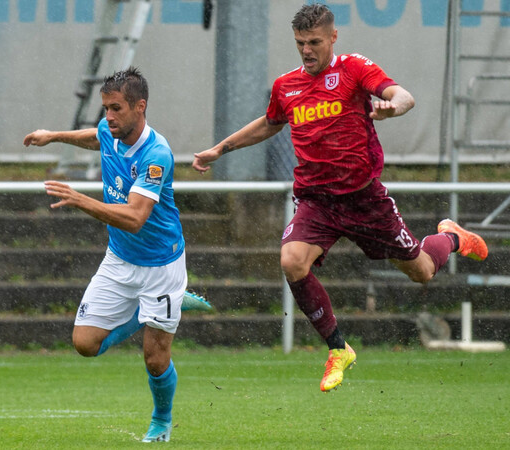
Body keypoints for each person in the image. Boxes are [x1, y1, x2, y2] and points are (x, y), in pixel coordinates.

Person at [192, 3, 488, 392]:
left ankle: (450, 237)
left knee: (421, 272)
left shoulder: (354, 69)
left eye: (314, 42)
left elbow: (404, 96)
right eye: (300, 43)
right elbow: (269, 123)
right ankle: (338, 348)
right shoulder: (287, 86)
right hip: (316, 201)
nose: (307, 50)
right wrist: (221, 149)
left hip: (364, 200)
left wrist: (390, 108)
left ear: (333, 37)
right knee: (292, 262)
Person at [24, 67, 183, 442]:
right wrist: (54, 136)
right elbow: (95, 137)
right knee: (84, 344)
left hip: (161, 266)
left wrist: (80, 199)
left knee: (155, 360)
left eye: (116, 109)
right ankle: (150, 316)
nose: (108, 117)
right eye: (105, 108)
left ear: (140, 107)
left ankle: (161, 420)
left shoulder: (156, 154)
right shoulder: (110, 131)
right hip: (119, 260)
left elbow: (134, 218)